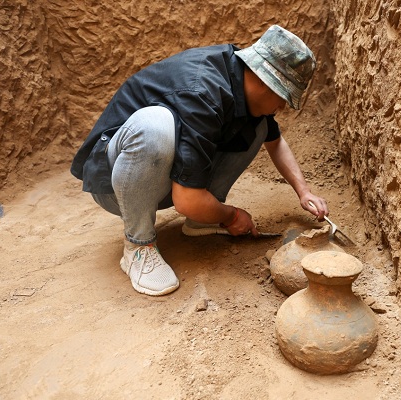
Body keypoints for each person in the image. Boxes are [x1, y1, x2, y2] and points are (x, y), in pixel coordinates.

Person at [70, 25, 329, 296]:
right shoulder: (203, 92)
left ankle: (203, 220)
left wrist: (304, 191)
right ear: (266, 81)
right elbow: (186, 200)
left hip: (158, 180)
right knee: (155, 127)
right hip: (116, 186)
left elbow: (274, 141)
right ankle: (138, 245)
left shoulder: (241, 80)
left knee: (260, 128)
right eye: (284, 96)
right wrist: (232, 215)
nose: (283, 106)